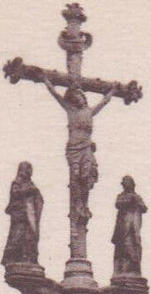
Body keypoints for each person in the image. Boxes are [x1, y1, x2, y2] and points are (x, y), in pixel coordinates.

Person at [44, 82, 118, 223]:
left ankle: (84, 205)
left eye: (78, 97)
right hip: (74, 148)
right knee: (75, 177)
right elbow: (55, 94)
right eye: (74, 98)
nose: (77, 99)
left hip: (86, 148)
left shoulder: (89, 112)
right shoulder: (70, 111)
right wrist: (45, 80)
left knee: (86, 177)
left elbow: (104, 102)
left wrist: (113, 91)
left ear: (83, 97)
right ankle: (77, 205)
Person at [1, 161, 44, 266]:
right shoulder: (17, 182)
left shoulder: (31, 184)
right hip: (20, 216)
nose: (29, 172)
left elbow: (38, 199)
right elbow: (15, 193)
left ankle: (29, 258)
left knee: (29, 237)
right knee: (17, 236)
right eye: (28, 169)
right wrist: (29, 190)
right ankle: (15, 258)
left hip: (29, 216)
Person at [111, 175, 146, 276]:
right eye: (124, 183)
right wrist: (130, 200)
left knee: (134, 244)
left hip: (134, 226)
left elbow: (144, 208)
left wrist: (136, 201)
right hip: (122, 226)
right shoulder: (121, 196)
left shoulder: (137, 197)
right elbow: (118, 204)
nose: (125, 185)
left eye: (127, 182)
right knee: (123, 245)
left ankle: (133, 267)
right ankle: (122, 269)